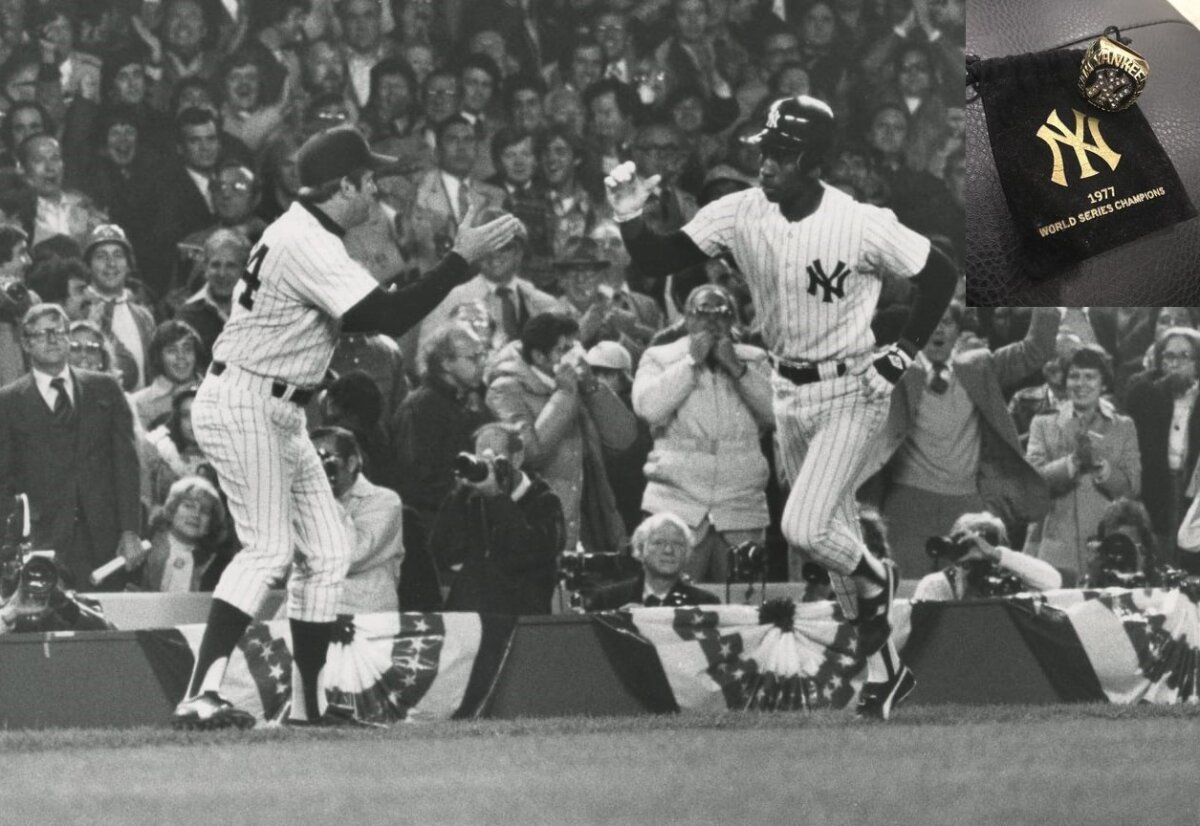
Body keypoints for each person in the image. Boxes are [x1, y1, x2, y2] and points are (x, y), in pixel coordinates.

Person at [605, 94, 958, 706]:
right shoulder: (741, 210)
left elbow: (942, 272)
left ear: (813, 160)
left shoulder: (858, 220)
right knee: (832, 534)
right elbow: (658, 257)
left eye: (783, 154)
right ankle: (885, 675)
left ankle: (879, 577)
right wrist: (632, 217)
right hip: (787, 390)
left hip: (852, 386)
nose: (767, 164)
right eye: (764, 151)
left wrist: (900, 353)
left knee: (803, 528)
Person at [171, 125, 521, 730]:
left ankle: (308, 709)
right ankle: (198, 695)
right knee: (269, 549)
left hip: (274, 402)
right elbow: (380, 315)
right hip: (244, 400)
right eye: (368, 180)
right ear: (346, 185)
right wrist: (458, 262)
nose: (374, 189)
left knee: (328, 551)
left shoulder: (308, 231)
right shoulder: (306, 239)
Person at [632, 284, 773, 583]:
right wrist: (690, 363)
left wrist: (737, 368)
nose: (711, 321)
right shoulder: (659, 357)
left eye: (721, 314)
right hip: (676, 499)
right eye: (702, 313)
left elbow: (778, 413)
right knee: (673, 603)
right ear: (686, 318)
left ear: (733, 320)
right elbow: (648, 409)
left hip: (740, 501)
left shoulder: (756, 359)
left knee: (742, 606)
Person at [0, 304, 145, 592]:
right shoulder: (8, 402)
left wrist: (131, 530)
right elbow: (4, 482)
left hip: (106, 539)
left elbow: (126, 465)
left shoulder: (105, 389)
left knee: (106, 627)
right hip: (43, 541)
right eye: (41, 334)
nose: (52, 339)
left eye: (58, 331)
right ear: (26, 344)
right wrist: (9, 546)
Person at [486, 311, 638, 552]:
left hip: (587, 524)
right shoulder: (505, 390)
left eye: (575, 345)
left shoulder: (579, 385)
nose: (574, 355)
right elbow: (530, 453)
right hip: (539, 526)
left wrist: (591, 385)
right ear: (538, 356)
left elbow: (624, 438)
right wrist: (564, 395)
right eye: (563, 349)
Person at [1025, 346, 1141, 583]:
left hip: (1107, 547)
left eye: (1090, 376)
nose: (1081, 383)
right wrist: (1073, 461)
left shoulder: (1123, 426)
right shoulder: (1043, 423)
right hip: (1055, 546)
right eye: (1074, 376)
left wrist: (1100, 464)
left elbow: (1132, 487)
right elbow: (1033, 483)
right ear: (1065, 382)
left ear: (1103, 384)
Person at [429, 422, 564, 615]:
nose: (486, 465)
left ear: (517, 458)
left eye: (492, 457)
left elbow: (525, 552)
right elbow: (441, 553)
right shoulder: (472, 499)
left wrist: (496, 497)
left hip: (519, 624)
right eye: (480, 457)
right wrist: (458, 495)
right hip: (468, 623)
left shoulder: (545, 502)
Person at [310, 426, 404, 616]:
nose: (313, 468)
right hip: (307, 607)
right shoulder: (304, 501)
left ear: (351, 463)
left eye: (322, 457)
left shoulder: (384, 501)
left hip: (362, 612)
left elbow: (349, 556)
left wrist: (324, 497)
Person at [913, 511, 1062, 601]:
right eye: (967, 543)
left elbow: (1054, 581)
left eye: (982, 544)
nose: (975, 549)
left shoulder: (1013, 580)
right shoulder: (936, 585)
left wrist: (994, 554)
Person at [588, 512, 721, 610]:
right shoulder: (605, 601)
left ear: (687, 554)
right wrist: (617, 621)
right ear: (639, 550)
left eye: (678, 544)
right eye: (658, 543)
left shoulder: (706, 604)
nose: (668, 550)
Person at [143, 475, 230, 593]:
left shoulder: (214, 563)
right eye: (188, 506)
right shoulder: (148, 547)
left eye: (204, 511)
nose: (196, 514)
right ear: (172, 509)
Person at [130, 320, 206, 430]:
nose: (181, 356)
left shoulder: (216, 393)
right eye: (172, 350)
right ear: (158, 357)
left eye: (187, 349)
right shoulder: (139, 403)